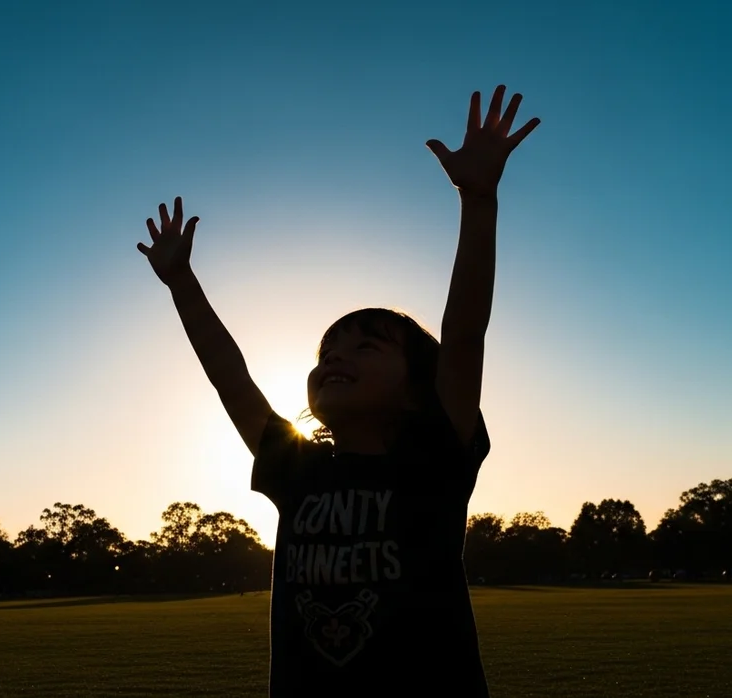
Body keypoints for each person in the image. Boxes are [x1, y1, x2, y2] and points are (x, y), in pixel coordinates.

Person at [136, 85, 539, 697]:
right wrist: (181, 284)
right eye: (326, 352)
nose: (335, 360)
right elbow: (230, 377)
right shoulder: (295, 467)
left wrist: (478, 201)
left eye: (365, 347)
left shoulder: (435, 455)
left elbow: (462, 334)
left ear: (418, 384)